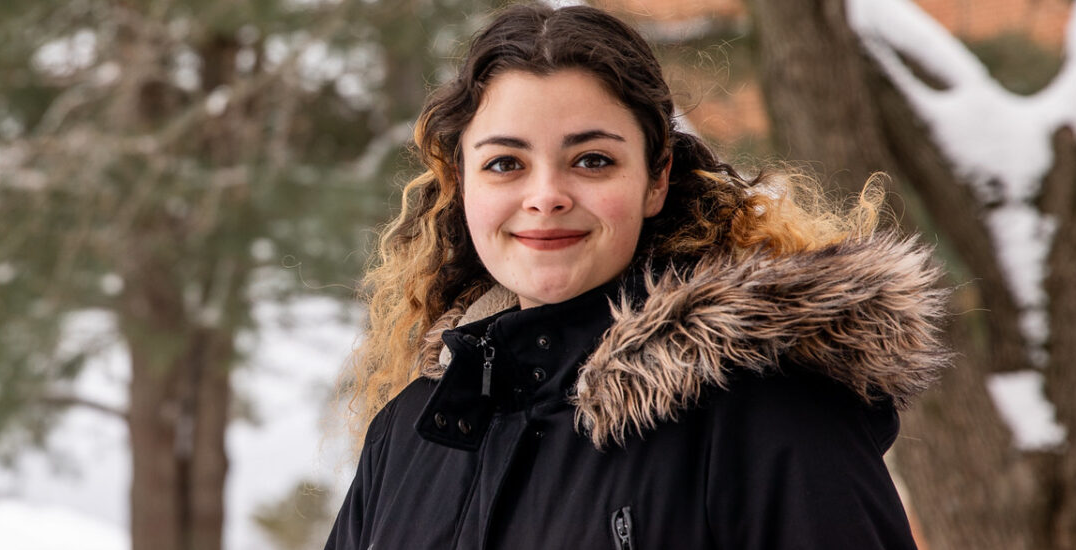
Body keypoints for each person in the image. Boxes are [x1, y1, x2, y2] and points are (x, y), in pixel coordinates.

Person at [327, 4, 950, 549]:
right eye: (504, 163)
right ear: (461, 186)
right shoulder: (411, 431)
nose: (545, 196)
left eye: (592, 160)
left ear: (655, 179)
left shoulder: (765, 411)